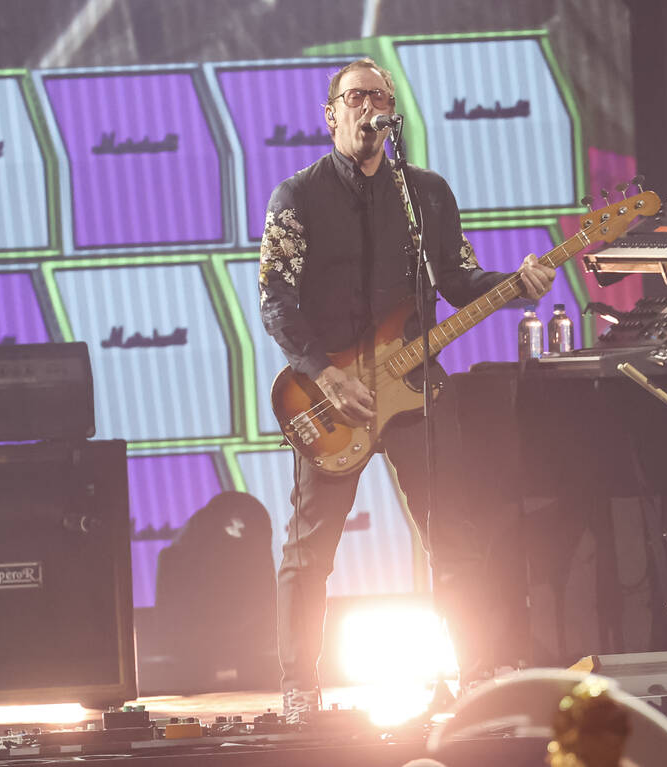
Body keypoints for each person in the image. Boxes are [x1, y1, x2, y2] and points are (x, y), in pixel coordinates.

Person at [258, 58, 556, 722]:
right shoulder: (296, 196)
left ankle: (477, 672)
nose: (368, 108)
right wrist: (324, 371)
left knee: (456, 536)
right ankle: (298, 688)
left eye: (379, 98)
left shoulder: (426, 194)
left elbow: (459, 278)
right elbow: (275, 301)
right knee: (310, 551)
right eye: (355, 97)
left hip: (416, 390)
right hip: (332, 398)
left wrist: (519, 283)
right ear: (330, 113)